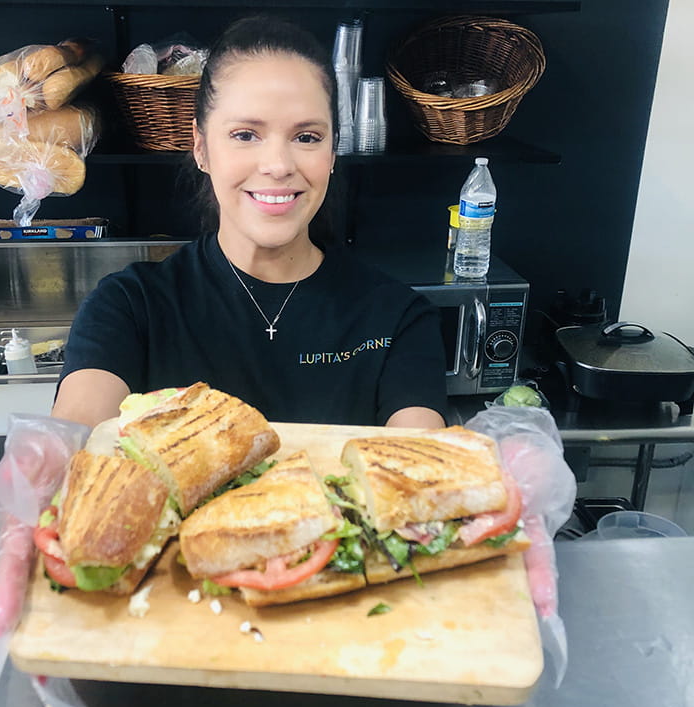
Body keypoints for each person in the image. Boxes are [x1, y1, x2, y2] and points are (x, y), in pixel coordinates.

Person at [52, 15, 447, 430]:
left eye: (307, 137)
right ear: (202, 148)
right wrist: (47, 463)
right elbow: (76, 442)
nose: (278, 166)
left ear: (332, 155)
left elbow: (421, 469)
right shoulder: (129, 307)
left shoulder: (398, 317)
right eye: (245, 135)